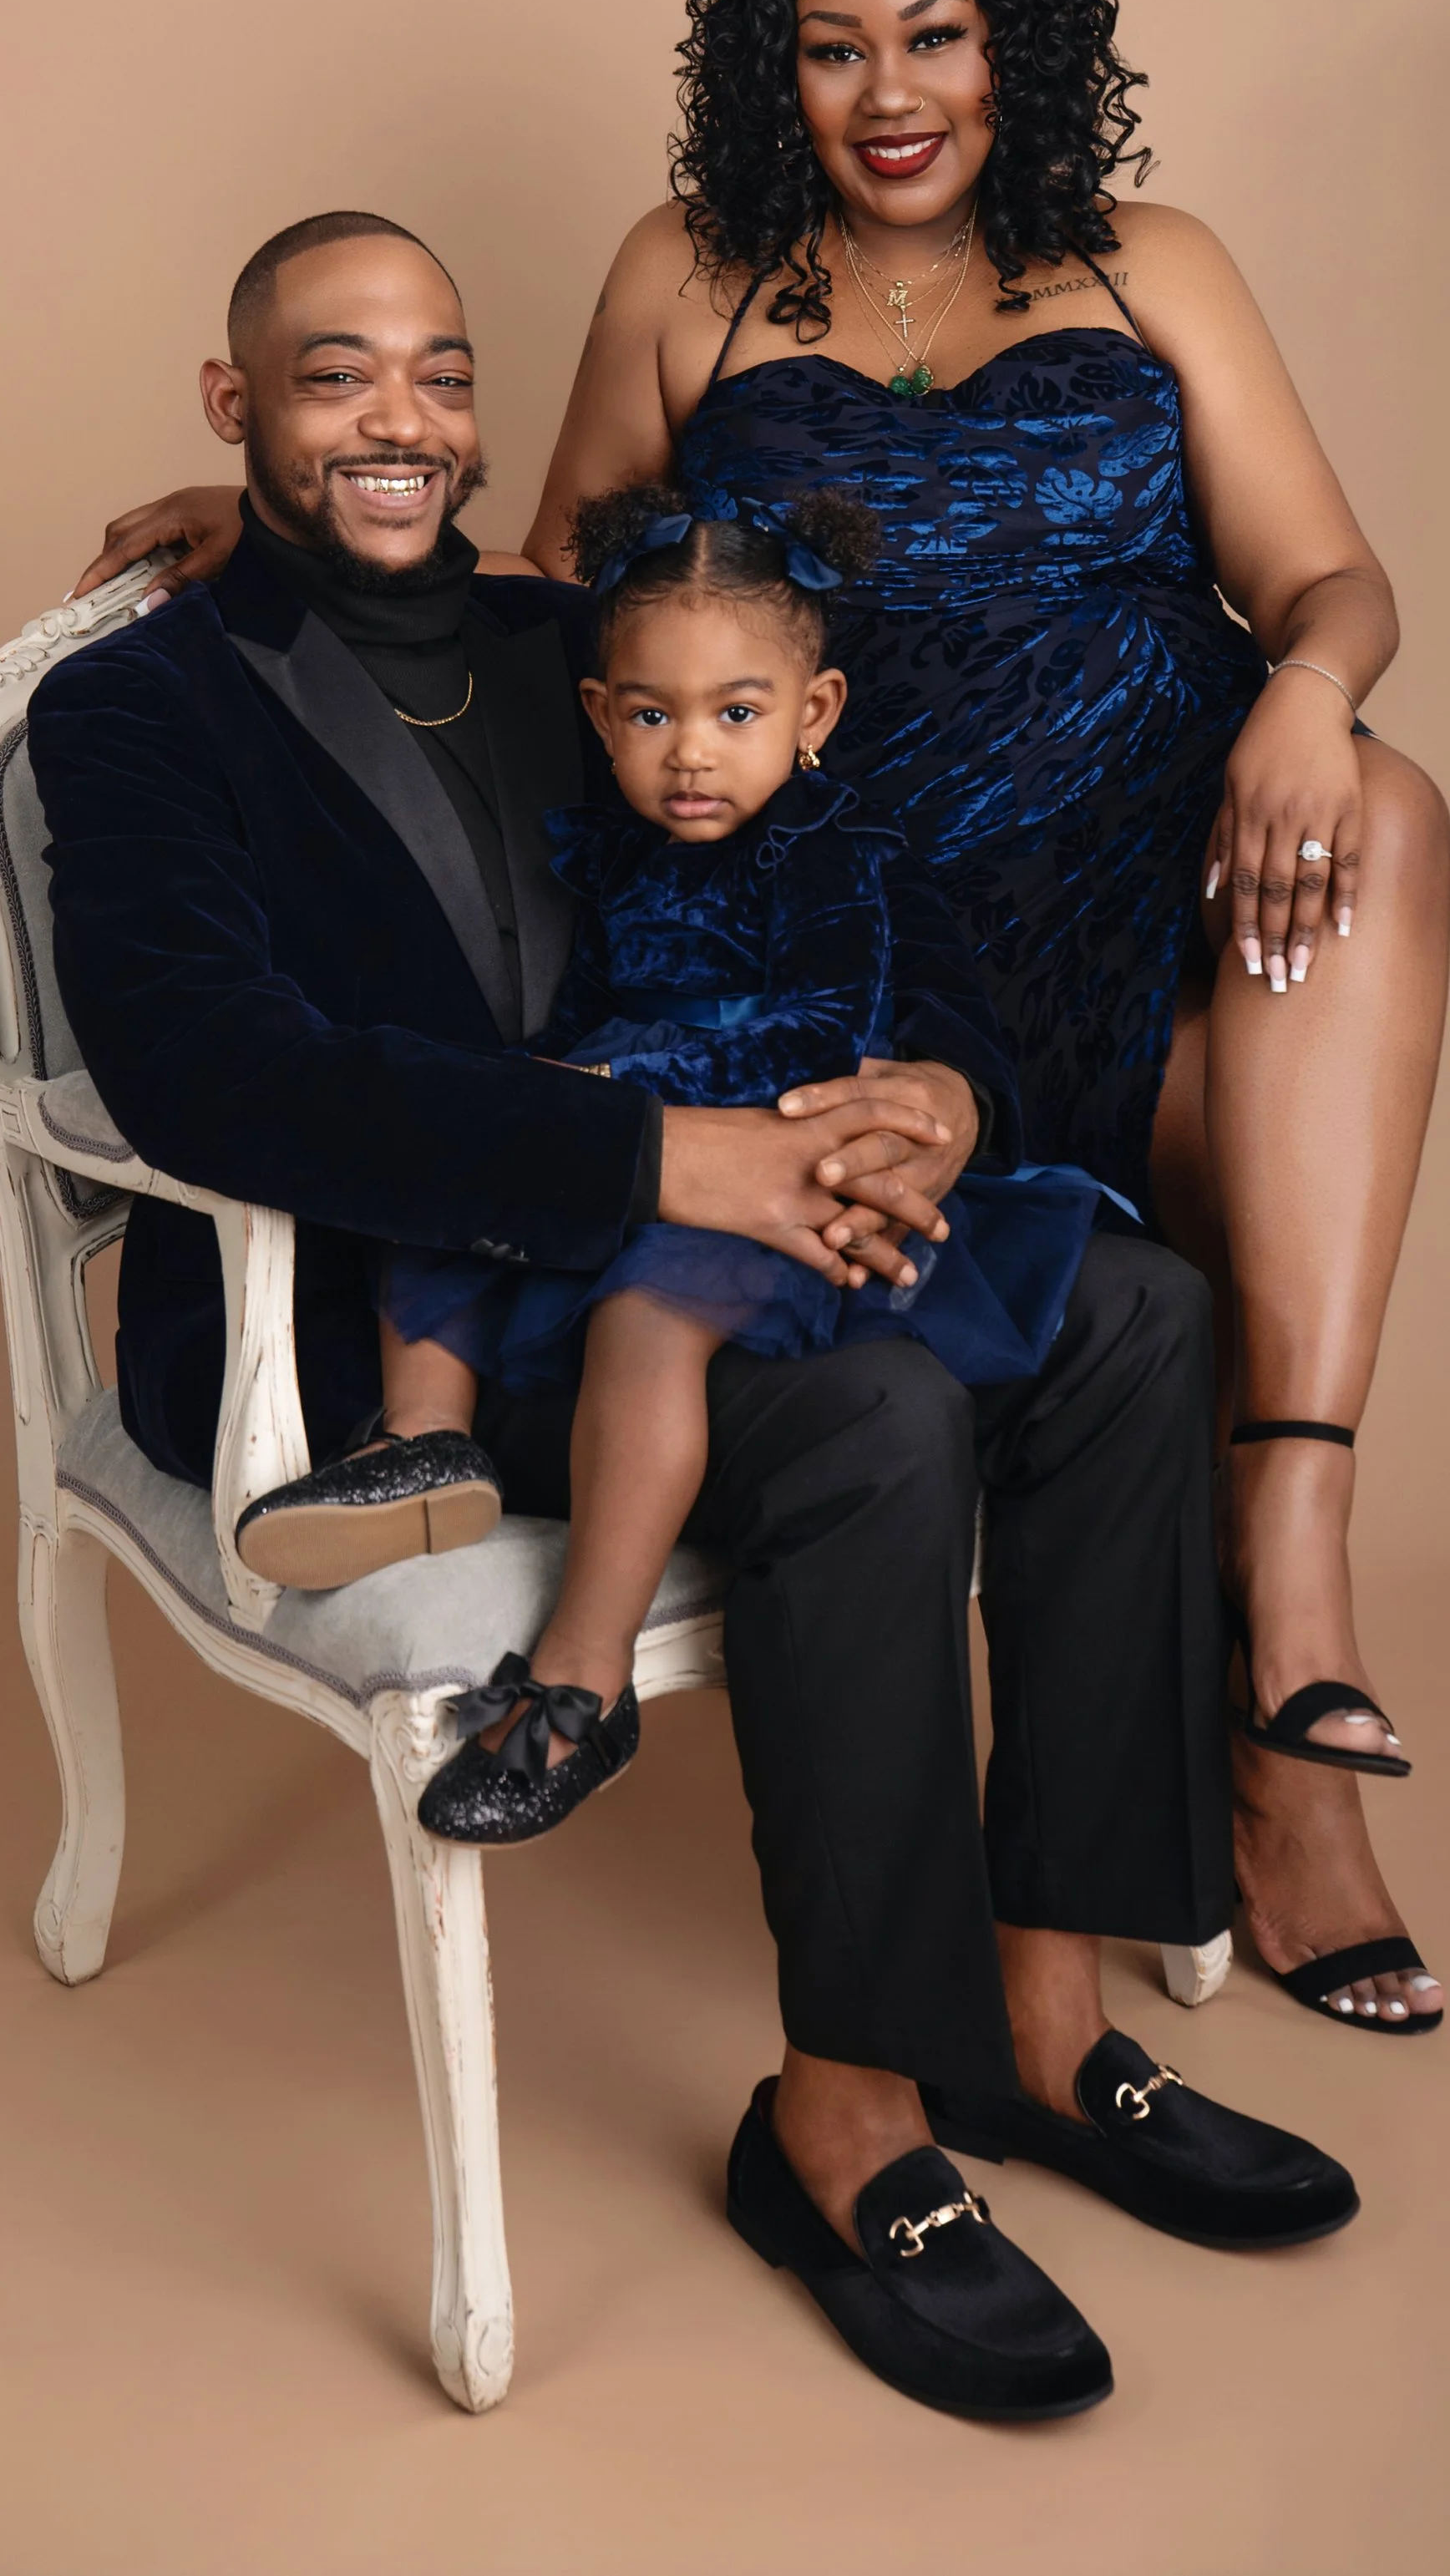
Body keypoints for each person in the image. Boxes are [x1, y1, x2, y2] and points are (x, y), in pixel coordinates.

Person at [74, 0, 1450, 2034]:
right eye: (828, 48)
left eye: (932, 33)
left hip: (1163, 865)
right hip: (865, 911)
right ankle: (998, 1977)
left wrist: (1302, 689)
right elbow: (556, 598)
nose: (886, 91)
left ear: (1016, 43)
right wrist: (277, 531)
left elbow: (1336, 576)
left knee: (1381, 802)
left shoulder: (1148, 259)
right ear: (769, 70)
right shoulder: (688, 275)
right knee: (1083, 1311)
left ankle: (1289, 1619)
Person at [33, 210, 1357, 2422]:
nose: (401, 418)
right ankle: (841, 2117)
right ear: (231, 404)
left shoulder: (606, 638)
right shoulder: (138, 704)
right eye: (334, 373)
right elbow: (207, 1078)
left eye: (439, 373)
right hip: (395, 1320)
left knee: (1128, 1310)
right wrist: (674, 1168)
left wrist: (943, 1089)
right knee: (863, 1419)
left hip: (712, 1230)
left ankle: (1042, 2019)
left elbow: (861, 884)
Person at [347, 478, 1124, 1850]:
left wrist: (596, 1094)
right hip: (660, 1149)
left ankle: (581, 1682)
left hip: (792, 1165)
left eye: (736, 714)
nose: (690, 755)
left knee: (646, 1324)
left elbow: (817, 1035)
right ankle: (419, 1445)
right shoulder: (626, 860)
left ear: (812, 714)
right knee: (463, 1183)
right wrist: (556, 1104)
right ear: (601, 715)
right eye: (651, 716)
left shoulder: (828, 856)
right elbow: (588, 1018)